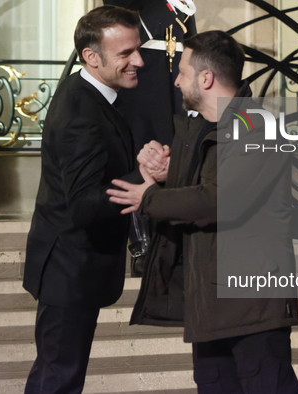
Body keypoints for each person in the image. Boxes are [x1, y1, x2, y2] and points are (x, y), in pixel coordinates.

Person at [107, 31, 298, 393]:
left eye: (182, 71)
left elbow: (217, 199)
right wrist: (165, 176)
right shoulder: (201, 129)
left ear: (206, 78)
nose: (176, 80)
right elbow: (202, 186)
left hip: (251, 309)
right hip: (209, 303)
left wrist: (149, 197)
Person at [22, 6, 143, 393]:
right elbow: (85, 205)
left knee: (57, 374)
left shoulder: (97, 95)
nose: (139, 60)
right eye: (126, 53)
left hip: (76, 268)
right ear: (91, 57)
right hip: (69, 269)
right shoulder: (80, 109)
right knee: (58, 378)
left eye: (136, 49)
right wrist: (146, 178)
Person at [103, 0, 197, 277]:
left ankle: (173, 242)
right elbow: (120, 27)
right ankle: (142, 245)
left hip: (174, 82)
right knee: (141, 157)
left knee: (175, 155)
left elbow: (188, 41)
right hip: (143, 82)